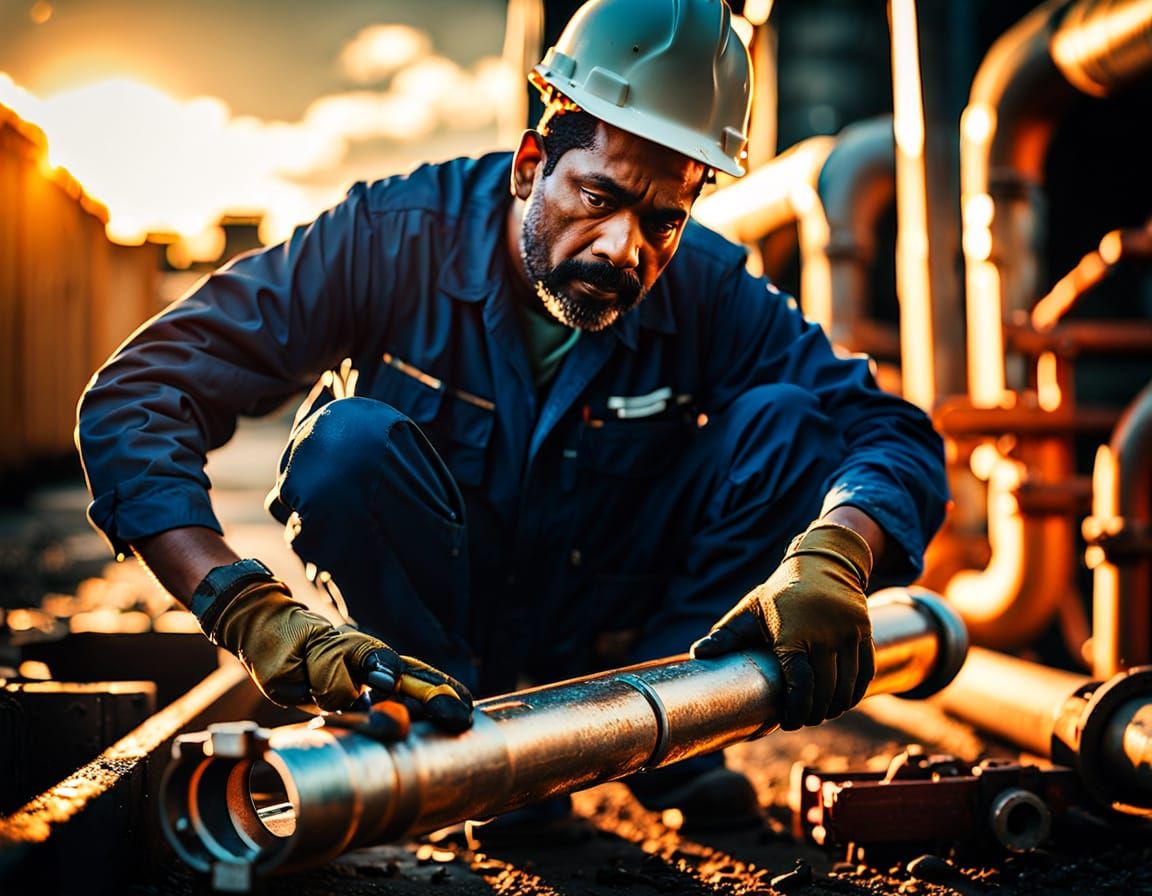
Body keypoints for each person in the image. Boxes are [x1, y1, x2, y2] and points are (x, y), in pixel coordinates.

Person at [76, 0, 948, 831]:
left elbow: (888, 430)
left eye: (662, 220)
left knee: (792, 424)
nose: (624, 250)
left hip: (632, 649)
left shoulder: (708, 286)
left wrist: (837, 554)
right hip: (447, 653)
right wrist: (247, 608)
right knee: (344, 445)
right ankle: (461, 748)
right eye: (600, 199)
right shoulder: (391, 238)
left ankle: (682, 734)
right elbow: (138, 395)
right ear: (532, 164)